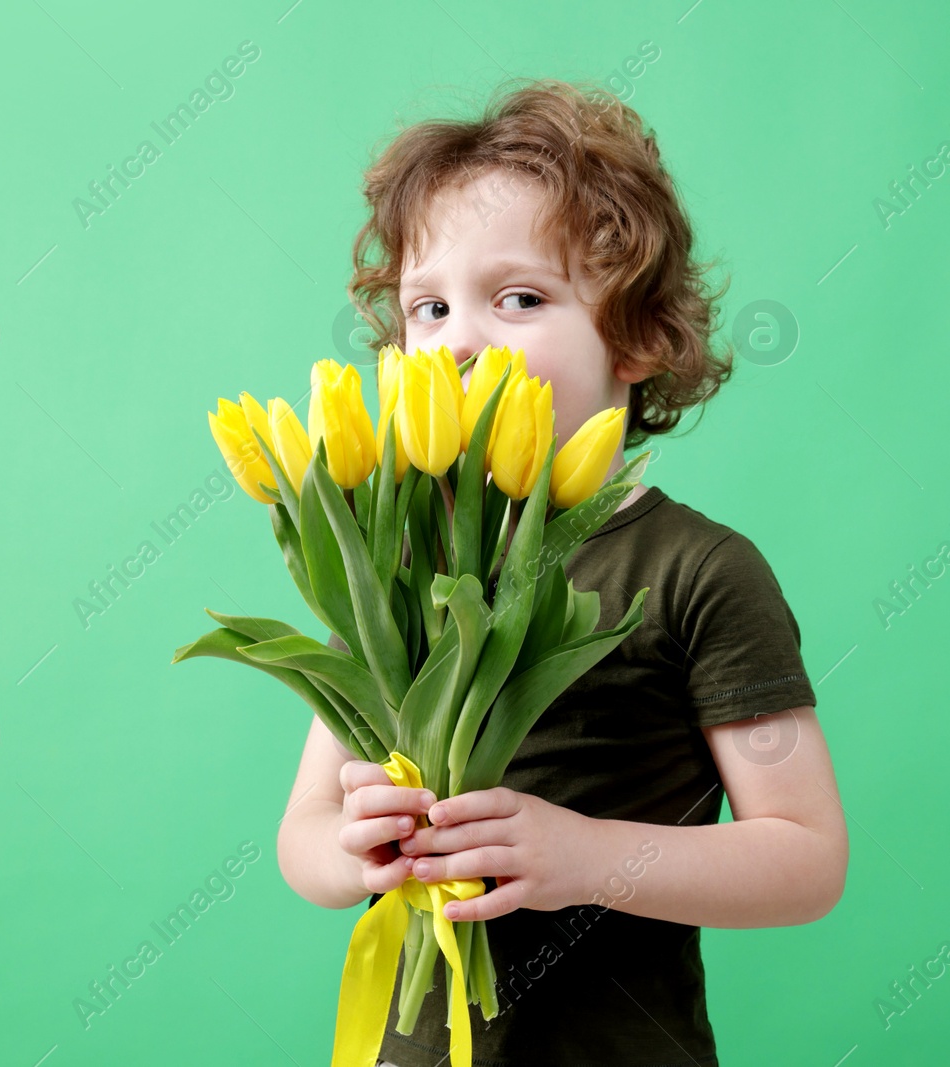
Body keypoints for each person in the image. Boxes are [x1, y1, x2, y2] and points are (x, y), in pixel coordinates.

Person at [276, 77, 848, 1066]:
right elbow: (305, 837)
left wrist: (582, 856)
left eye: (520, 298)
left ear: (633, 337)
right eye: (430, 306)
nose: (459, 340)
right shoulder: (388, 563)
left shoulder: (699, 570)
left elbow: (804, 858)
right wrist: (350, 847)